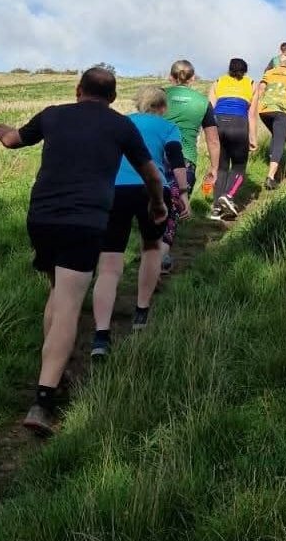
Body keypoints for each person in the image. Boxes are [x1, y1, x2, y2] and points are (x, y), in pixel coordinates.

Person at [0, 66, 166, 437]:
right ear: (113, 97)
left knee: (57, 291)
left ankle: (55, 371)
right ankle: (43, 399)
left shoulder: (53, 115)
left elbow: (13, 141)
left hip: (40, 218)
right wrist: (157, 205)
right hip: (83, 221)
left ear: (77, 90)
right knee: (70, 302)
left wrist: (4, 132)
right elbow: (151, 174)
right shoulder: (121, 126)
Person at [90, 86, 189, 359]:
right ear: (163, 106)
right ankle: (141, 312)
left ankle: (100, 335)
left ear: (138, 103)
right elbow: (177, 161)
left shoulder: (121, 122)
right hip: (152, 188)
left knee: (109, 263)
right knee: (152, 248)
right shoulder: (168, 128)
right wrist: (183, 194)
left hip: (115, 190)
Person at [161, 59, 220, 272]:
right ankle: (163, 254)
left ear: (171, 76)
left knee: (152, 206)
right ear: (193, 78)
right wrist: (214, 168)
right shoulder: (203, 102)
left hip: (155, 157)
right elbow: (213, 140)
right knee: (174, 208)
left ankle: (152, 253)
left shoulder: (159, 96)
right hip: (185, 161)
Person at [251, 48, 286, 188]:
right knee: (279, 142)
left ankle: (274, 162)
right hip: (282, 111)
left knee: (276, 136)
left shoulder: (269, 72)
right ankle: (270, 177)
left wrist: (258, 104)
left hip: (264, 111)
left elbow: (261, 88)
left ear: (279, 62)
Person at [207, 58, 255, 220]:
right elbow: (252, 114)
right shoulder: (251, 83)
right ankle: (228, 195)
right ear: (245, 70)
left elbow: (210, 109)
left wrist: (207, 133)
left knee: (221, 167)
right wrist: (253, 137)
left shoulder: (218, 81)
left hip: (218, 123)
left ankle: (216, 209)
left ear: (229, 69)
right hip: (239, 124)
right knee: (239, 166)